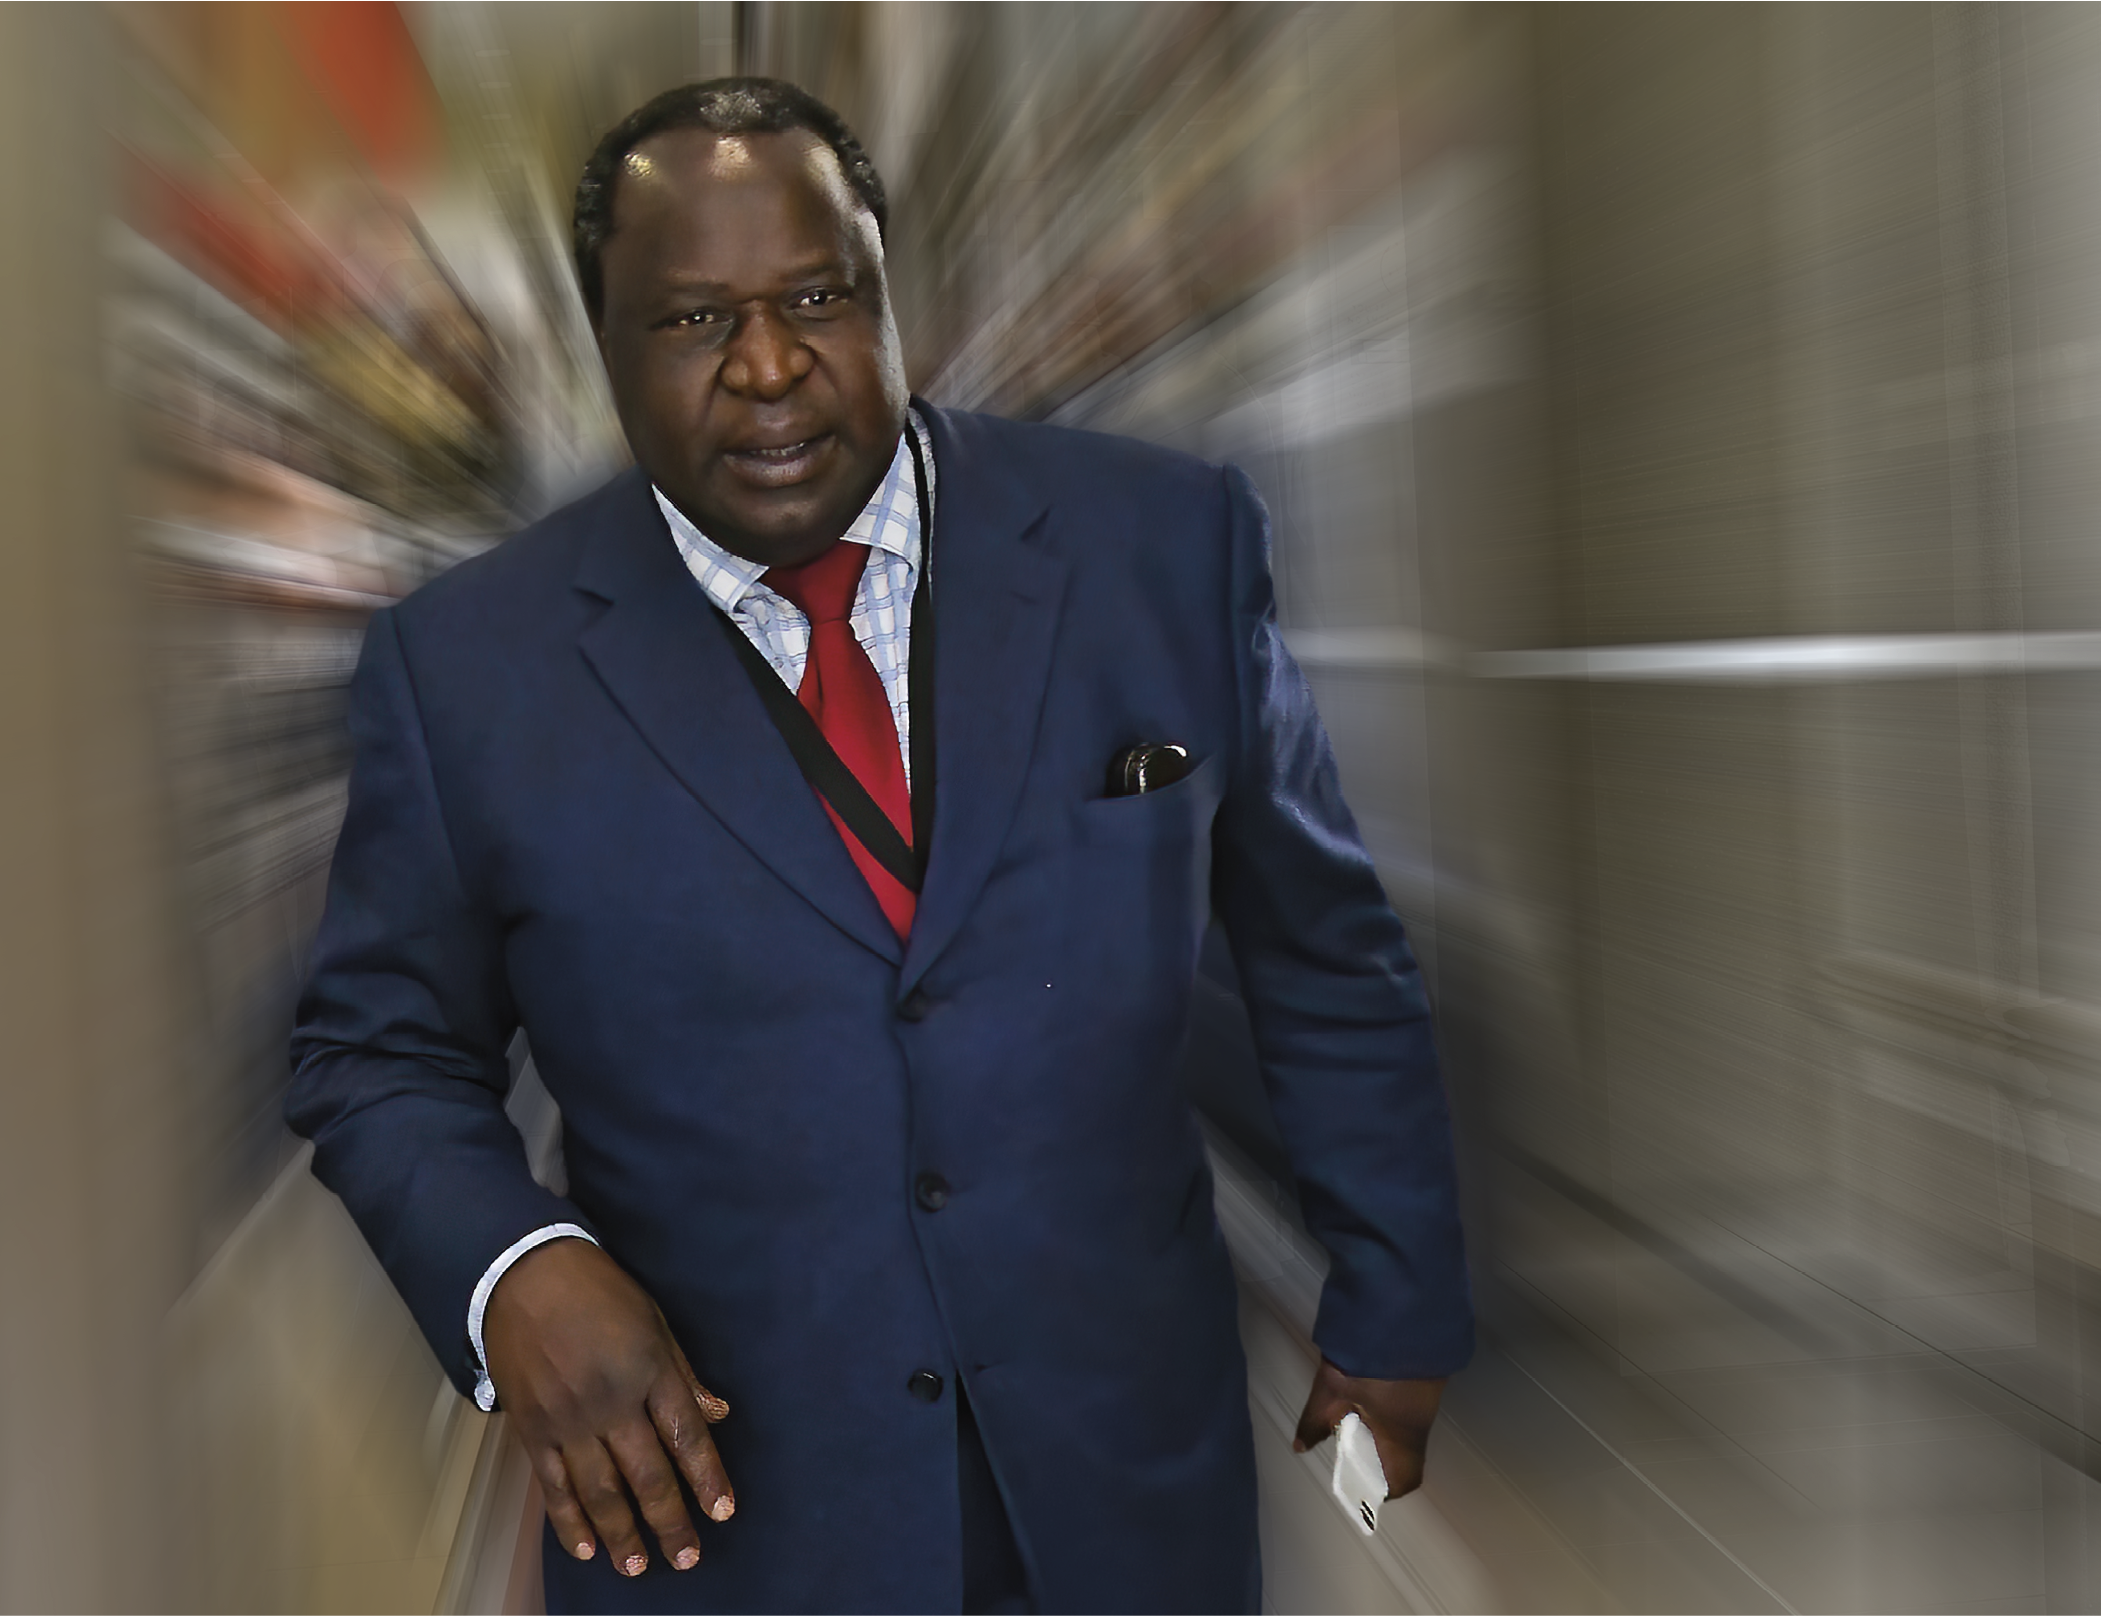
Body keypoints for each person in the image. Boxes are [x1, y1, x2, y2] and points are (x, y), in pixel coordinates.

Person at [285, 78, 1472, 1616]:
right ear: (606, 348)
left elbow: (1324, 950)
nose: (770, 368)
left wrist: (1399, 1303)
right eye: (694, 321)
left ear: (888, 294)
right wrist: (513, 1268)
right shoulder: (467, 675)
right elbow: (374, 1047)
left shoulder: (1160, 550)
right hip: (730, 1521)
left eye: (817, 297)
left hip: (1125, 1485)